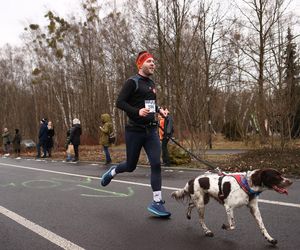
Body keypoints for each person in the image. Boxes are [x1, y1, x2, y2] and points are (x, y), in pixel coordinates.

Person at [100, 51, 171, 218]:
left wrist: (160, 111)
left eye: (154, 61)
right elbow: (120, 102)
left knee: (156, 163)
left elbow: (151, 104)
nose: (153, 64)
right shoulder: (132, 82)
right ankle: (112, 172)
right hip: (134, 131)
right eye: (149, 61)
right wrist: (137, 111)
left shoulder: (152, 83)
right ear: (141, 65)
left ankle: (157, 202)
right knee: (131, 166)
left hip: (151, 131)